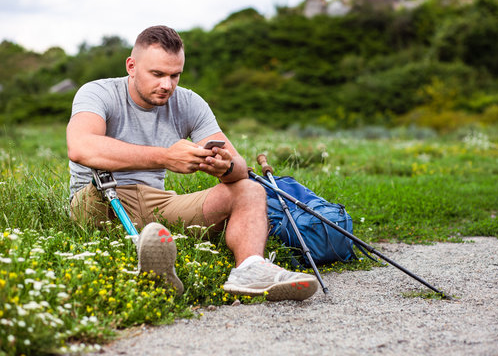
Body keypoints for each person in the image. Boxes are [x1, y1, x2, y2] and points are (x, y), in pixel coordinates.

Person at [66, 25, 318, 301]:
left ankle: (250, 269)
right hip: (99, 197)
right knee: (100, 204)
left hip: (158, 202)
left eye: (175, 75)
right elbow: (81, 147)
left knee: (250, 190)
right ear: (131, 66)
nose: (167, 85)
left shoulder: (188, 102)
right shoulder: (97, 92)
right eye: (157, 74)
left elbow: (240, 167)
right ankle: (155, 257)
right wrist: (165, 157)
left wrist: (225, 168)